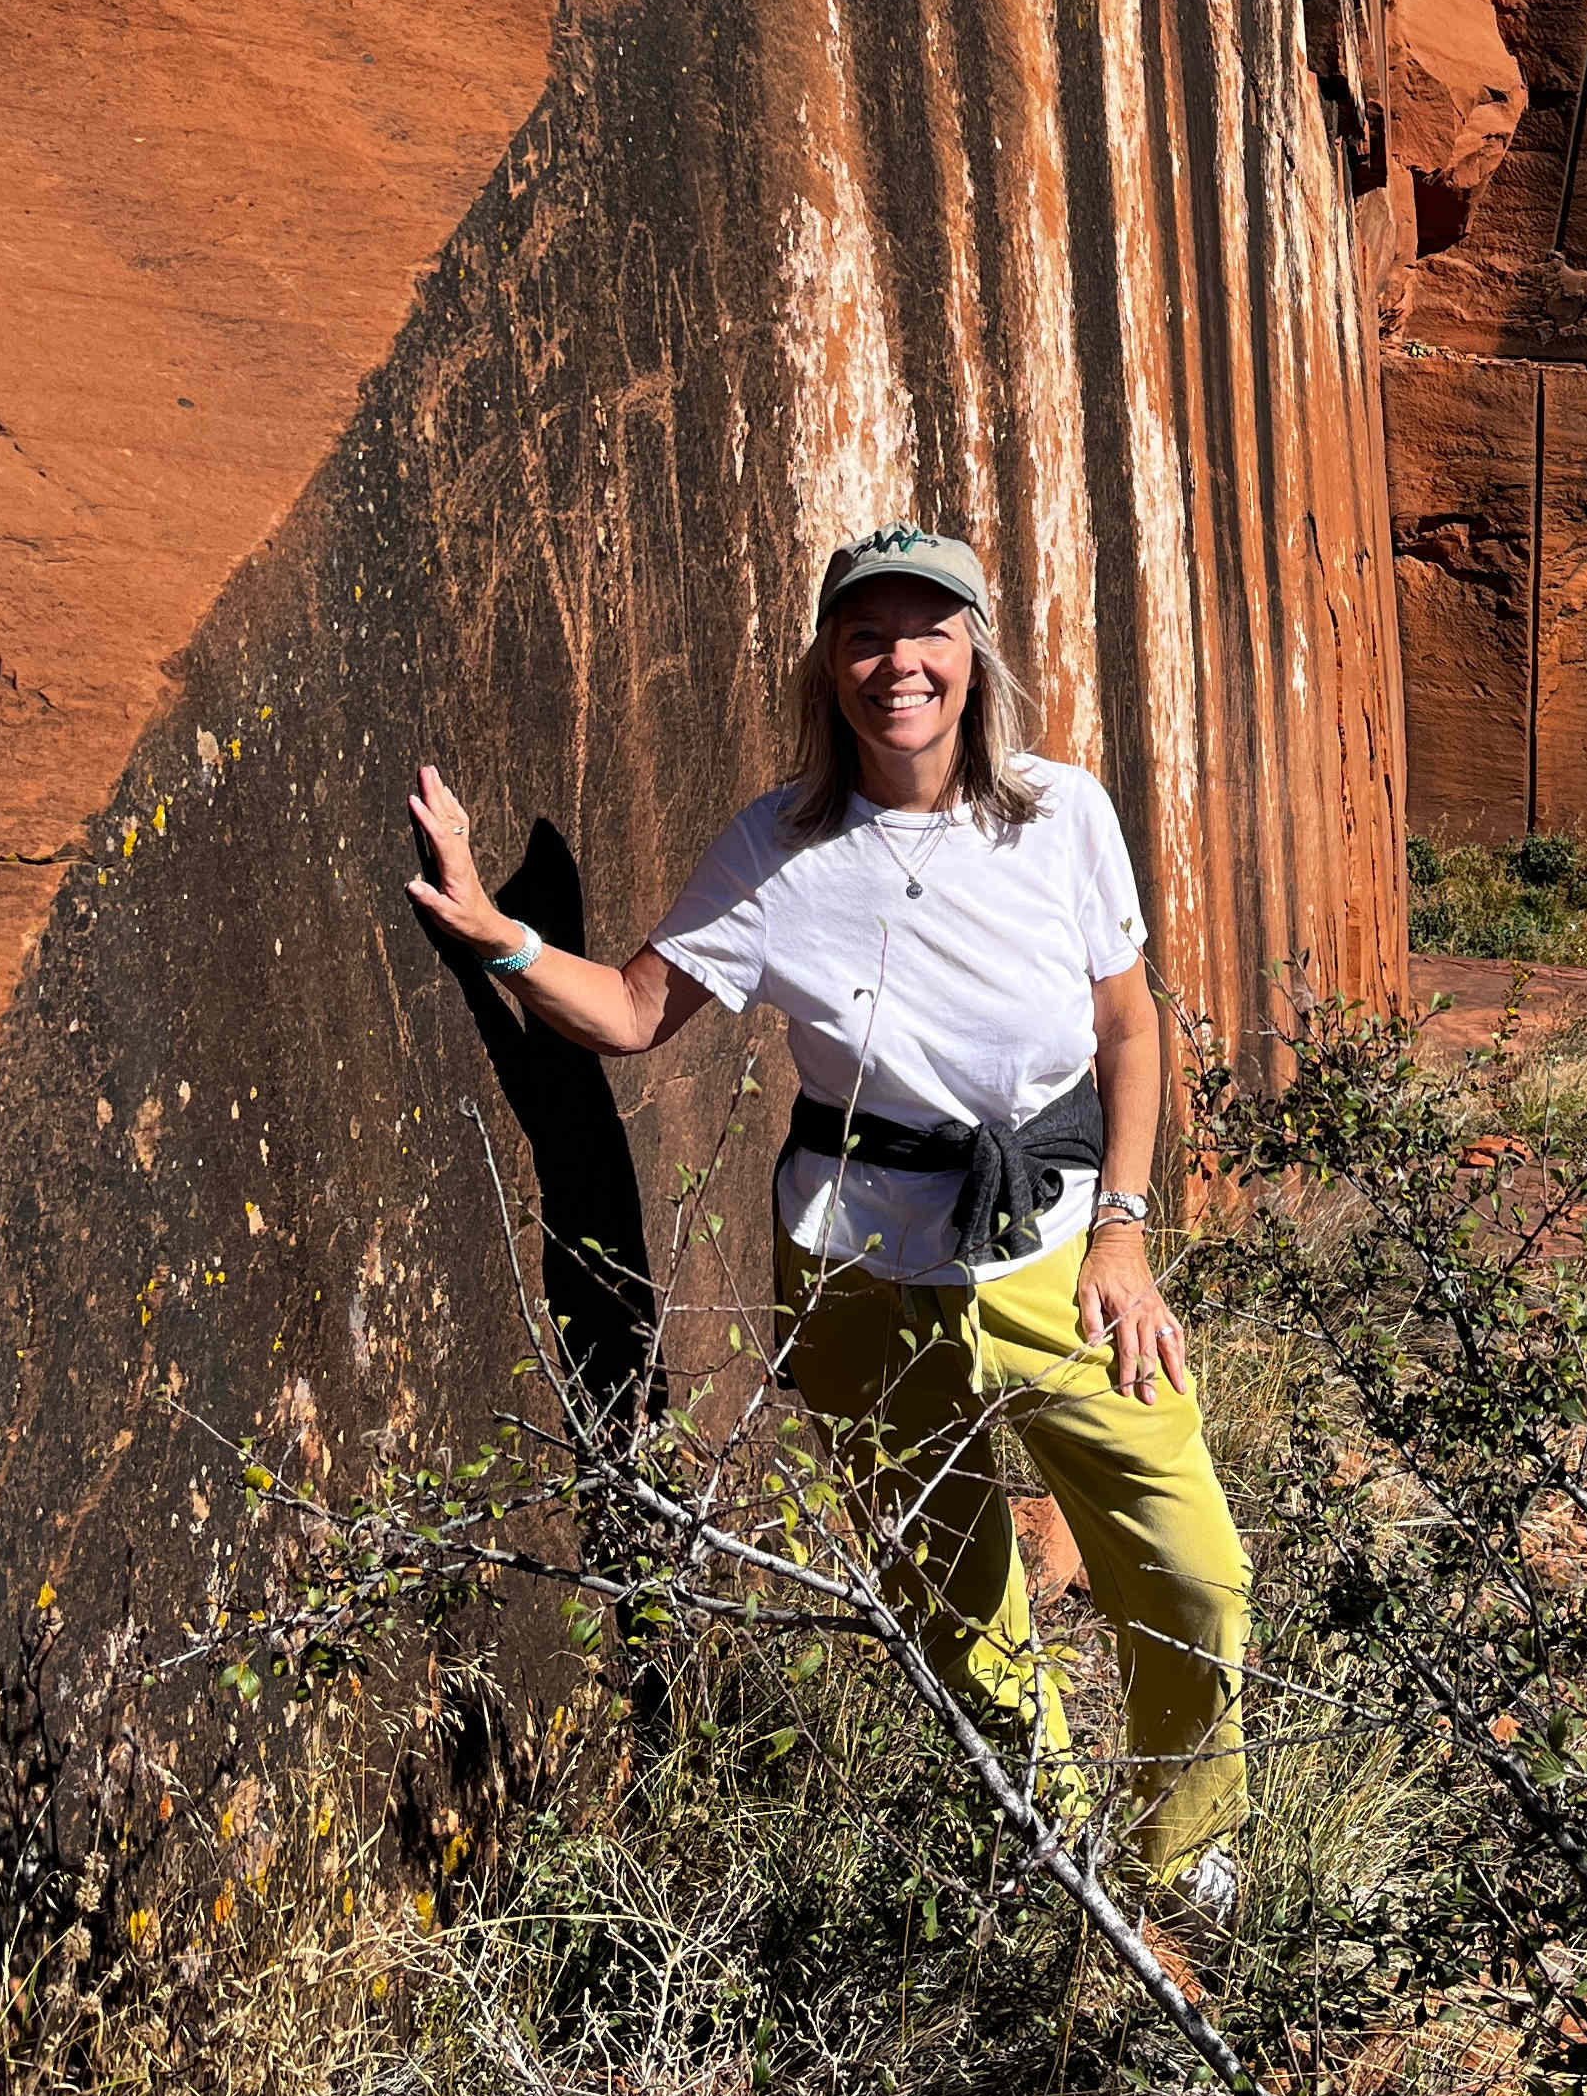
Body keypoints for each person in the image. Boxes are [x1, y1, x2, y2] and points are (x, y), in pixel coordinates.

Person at [404, 520, 1248, 1918]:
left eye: (929, 632)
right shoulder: (777, 849)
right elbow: (625, 1012)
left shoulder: (1060, 813)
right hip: (860, 1276)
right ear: (827, 662)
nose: (897, 664)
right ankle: (1054, 1869)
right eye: (866, 634)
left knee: (1191, 1569)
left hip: (1057, 1253)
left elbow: (1126, 1022)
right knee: (960, 1612)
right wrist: (495, 928)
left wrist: (1128, 1227)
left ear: (976, 654)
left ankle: (1184, 1853)